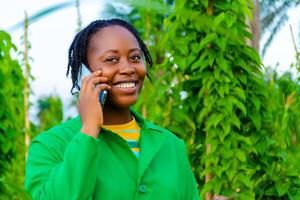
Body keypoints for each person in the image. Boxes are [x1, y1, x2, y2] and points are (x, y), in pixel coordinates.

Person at [25, 18, 200, 200]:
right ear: (83, 73)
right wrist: (89, 130)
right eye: (112, 59)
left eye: (134, 57)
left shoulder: (171, 145)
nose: (128, 68)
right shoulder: (50, 146)